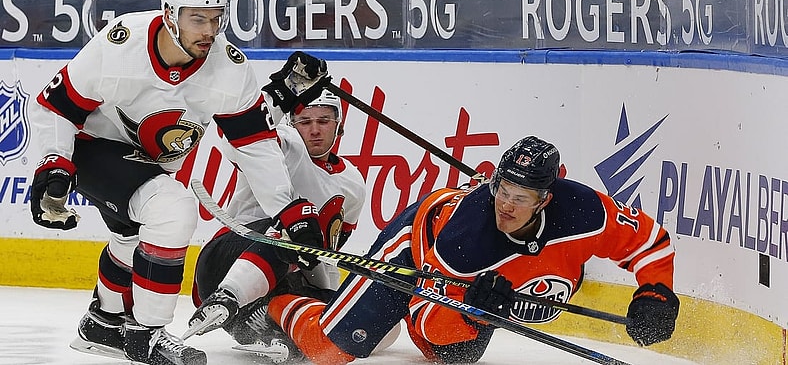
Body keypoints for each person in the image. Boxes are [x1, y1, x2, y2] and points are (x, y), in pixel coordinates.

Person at [28, 0, 332, 365]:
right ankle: (147, 335)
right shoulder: (121, 45)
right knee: (172, 208)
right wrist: (54, 162)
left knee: (132, 236)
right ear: (170, 14)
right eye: (197, 19)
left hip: (150, 161)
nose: (208, 31)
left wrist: (289, 209)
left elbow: (253, 141)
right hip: (93, 146)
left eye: (216, 18)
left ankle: (102, 324)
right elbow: (58, 106)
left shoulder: (229, 67)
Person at [262, 135, 680, 364]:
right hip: (415, 249)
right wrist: (477, 312)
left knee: (457, 359)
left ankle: (361, 311)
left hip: (468, 289)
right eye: (503, 189)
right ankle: (280, 297)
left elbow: (651, 244)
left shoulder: (586, 211)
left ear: (546, 199)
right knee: (326, 351)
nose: (505, 205)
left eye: (521, 196)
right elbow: (427, 322)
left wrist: (655, 293)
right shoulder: (465, 239)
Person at [185, 89, 366, 361]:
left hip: (278, 282)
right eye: (305, 121)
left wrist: (330, 299)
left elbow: (326, 256)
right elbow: (236, 137)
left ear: (339, 125)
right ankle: (226, 297)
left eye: (324, 121)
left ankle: (272, 335)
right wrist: (285, 92)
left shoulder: (353, 183)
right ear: (292, 124)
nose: (314, 130)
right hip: (227, 259)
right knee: (294, 226)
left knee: (344, 321)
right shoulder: (282, 145)